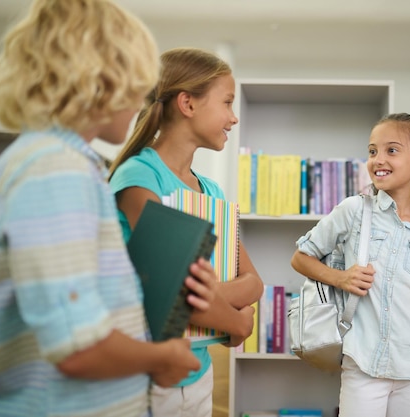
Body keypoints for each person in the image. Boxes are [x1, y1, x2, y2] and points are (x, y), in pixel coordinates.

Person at [0, 1, 218, 416]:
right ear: (103, 77)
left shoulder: (65, 164)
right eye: (139, 84)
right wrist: (162, 358)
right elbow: (77, 347)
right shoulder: (53, 169)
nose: (143, 102)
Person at [108, 47, 263, 417]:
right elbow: (173, 294)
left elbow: (254, 282)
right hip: (145, 379)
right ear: (187, 104)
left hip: (197, 377)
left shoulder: (212, 193)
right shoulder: (138, 178)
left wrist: (203, 300)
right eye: (226, 102)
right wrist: (236, 320)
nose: (234, 117)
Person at [290, 113, 410, 417]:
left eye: (391, 150)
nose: (378, 159)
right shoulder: (354, 210)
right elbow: (301, 257)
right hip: (363, 364)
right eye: (372, 151)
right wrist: (340, 278)